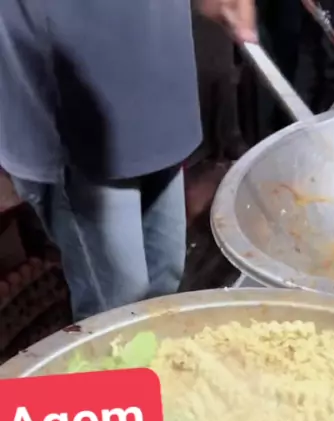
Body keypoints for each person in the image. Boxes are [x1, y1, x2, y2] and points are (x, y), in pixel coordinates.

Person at [0, 0, 256, 321]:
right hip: (75, 117)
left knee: (166, 275)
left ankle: (156, 349)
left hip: (158, 76)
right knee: (119, 303)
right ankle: (128, 354)